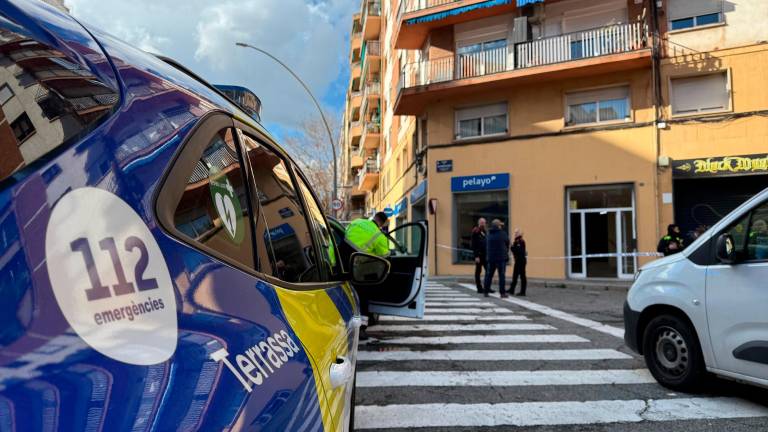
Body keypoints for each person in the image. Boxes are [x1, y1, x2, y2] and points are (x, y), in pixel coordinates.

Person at [345, 211, 390, 341]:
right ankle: (362, 329)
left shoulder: (357, 222)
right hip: (357, 270)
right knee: (363, 297)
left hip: (339, 266)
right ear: (382, 223)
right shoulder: (379, 236)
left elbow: (343, 236)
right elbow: (385, 257)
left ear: (374, 218)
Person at [483, 219, 510, 298]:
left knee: (489, 275)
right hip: (501, 258)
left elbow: (485, 245)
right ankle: (502, 293)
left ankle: (486, 292)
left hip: (491, 258)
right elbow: (507, 243)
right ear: (498, 226)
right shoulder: (503, 234)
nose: (501, 226)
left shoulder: (489, 234)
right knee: (501, 276)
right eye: (500, 225)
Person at [471, 218, 488, 294]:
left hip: (485, 255)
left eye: (484, 223)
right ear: (479, 223)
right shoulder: (475, 231)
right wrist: (476, 256)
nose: (483, 224)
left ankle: (487, 287)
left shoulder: (485, 231)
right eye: (481, 222)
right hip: (479, 255)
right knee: (478, 272)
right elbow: (473, 245)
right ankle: (479, 288)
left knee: (488, 271)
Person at [510, 229, 528, 296]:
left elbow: (519, 251)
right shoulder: (516, 241)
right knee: (515, 276)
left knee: (522, 276)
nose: (515, 233)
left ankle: (523, 291)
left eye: (517, 232)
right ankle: (512, 289)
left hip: (521, 261)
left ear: (520, 234)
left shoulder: (520, 241)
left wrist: (512, 247)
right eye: (515, 232)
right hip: (518, 260)